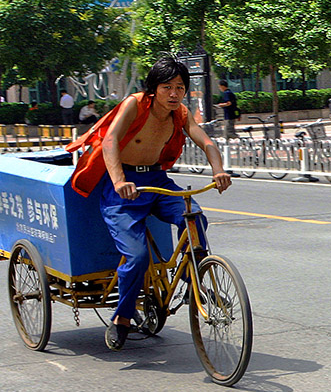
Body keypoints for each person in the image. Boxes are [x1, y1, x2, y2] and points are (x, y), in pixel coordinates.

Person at [66, 55, 232, 351]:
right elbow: (111, 141)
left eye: (179, 87)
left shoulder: (180, 113)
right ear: (154, 89)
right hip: (124, 187)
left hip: (156, 181)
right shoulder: (135, 104)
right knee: (138, 257)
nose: (174, 93)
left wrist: (218, 170)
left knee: (194, 216)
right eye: (167, 87)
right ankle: (122, 319)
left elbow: (206, 141)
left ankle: (197, 271)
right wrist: (118, 181)